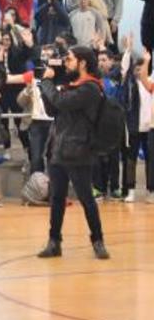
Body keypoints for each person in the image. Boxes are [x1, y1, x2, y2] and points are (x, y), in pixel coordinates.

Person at [37, 46, 110, 260]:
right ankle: (54, 242)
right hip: (58, 148)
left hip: (78, 149)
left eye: (69, 59)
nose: (65, 63)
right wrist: (46, 88)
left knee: (86, 198)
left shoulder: (90, 88)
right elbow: (53, 109)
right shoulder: (71, 85)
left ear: (83, 63)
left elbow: (61, 102)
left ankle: (98, 240)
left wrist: (47, 83)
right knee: (57, 198)